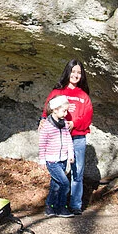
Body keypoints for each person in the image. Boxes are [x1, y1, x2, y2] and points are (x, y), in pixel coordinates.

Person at [40, 59, 93, 215]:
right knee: (59, 174)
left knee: (78, 172)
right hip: (59, 139)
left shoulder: (84, 96)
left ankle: (75, 205)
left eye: (79, 72)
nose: (75, 75)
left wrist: (74, 123)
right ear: (68, 72)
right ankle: (55, 205)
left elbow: (87, 116)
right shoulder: (58, 92)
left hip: (78, 138)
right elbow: (47, 109)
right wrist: (42, 119)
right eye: (73, 71)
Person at [38, 95, 75, 218]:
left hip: (63, 159)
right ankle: (61, 207)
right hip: (52, 161)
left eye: (66, 111)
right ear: (55, 110)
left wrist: (70, 154)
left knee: (56, 185)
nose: (66, 114)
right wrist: (42, 160)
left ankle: (50, 207)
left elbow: (68, 139)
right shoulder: (47, 126)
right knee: (65, 184)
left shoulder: (64, 124)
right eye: (64, 111)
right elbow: (42, 144)